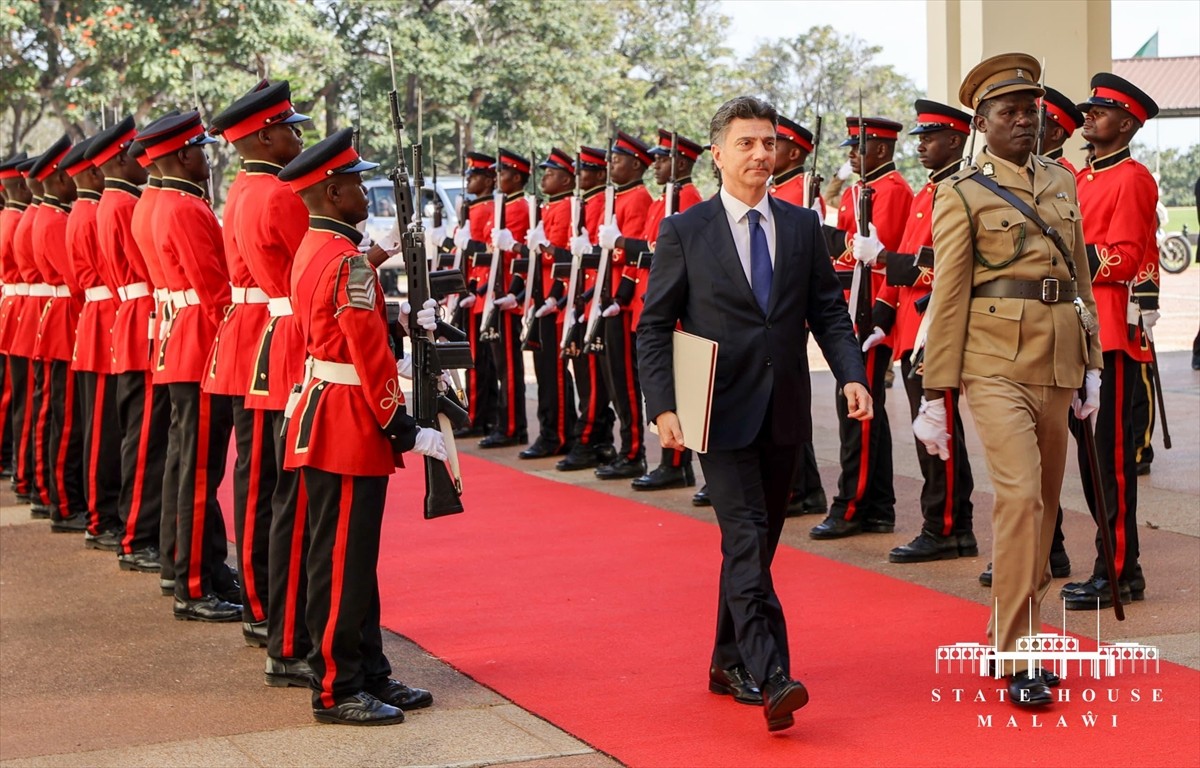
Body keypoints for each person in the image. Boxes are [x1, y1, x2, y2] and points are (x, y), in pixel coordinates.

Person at [638, 96, 870, 732]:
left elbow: (826, 310)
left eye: (768, 143)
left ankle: (724, 659)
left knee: (756, 548)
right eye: (746, 143)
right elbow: (654, 327)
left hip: (784, 411)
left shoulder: (799, 227)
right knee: (744, 540)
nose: (761, 154)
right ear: (717, 154)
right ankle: (773, 676)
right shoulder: (685, 231)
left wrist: (851, 376)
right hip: (716, 409)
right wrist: (663, 406)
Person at [918, 53, 1101, 707]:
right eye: (1009, 113)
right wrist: (935, 395)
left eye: (1031, 111)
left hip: (1057, 364)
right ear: (983, 123)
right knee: (1020, 499)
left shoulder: (1062, 182)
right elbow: (950, 296)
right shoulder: (960, 193)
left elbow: (1080, 282)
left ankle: (1010, 632)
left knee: (1046, 510)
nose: (1025, 121)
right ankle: (1023, 654)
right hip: (992, 365)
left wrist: (1094, 363)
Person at [279, 127, 444, 725]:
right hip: (347, 421)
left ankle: (369, 670)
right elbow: (365, 348)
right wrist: (400, 423)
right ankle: (337, 686)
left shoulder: (321, 249)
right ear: (330, 193)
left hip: (329, 409)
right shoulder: (345, 261)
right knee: (342, 562)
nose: (364, 194)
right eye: (354, 185)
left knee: (354, 560)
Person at [209, 79, 312, 650]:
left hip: (255, 335)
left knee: (257, 481)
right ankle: (266, 602)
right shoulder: (276, 194)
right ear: (266, 134)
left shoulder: (247, 188)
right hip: (277, 335)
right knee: (272, 487)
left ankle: (258, 599)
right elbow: (307, 277)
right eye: (290, 128)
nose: (298, 136)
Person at [862, 99, 978, 564]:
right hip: (913, 332)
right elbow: (906, 267)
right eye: (921, 138)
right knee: (926, 431)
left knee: (940, 431)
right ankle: (943, 524)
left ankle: (949, 527)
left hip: (939, 330)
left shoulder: (962, 191)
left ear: (955, 140)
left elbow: (947, 266)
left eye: (930, 138)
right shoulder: (926, 193)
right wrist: (882, 319)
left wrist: (887, 260)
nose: (922, 146)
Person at [136, 111, 241, 621]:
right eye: (200, 147)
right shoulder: (185, 209)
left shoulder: (158, 203)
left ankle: (194, 569)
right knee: (199, 471)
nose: (206, 156)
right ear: (182, 154)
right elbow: (215, 291)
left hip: (178, 340)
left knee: (185, 465)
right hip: (200, 345)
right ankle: (193, 587)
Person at [1060, 73, 1160, 611]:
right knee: (1088, 463)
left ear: (1126, 124)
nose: (1089, 118)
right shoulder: (1080, 178)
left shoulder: (1133, 178)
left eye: (1100, 112)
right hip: (1078, 333)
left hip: (1112, 337)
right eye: (1089, 110)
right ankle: (1110, 564)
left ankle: (1121, 571)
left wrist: (1071, 255)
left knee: (1111, 461)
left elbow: (1125, 254)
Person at [810, 116, 913, 540]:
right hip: (851, 305)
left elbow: (885, 259)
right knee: (857, 410)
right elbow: (849, 250)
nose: (852, 153)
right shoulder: (860, 190)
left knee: (859, 411)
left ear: (883, 151)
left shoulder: (893, 191)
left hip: (872, 312)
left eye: (860, 146)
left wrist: (882, 317)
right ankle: (878, 506)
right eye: (851, 146)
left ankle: (852, 504)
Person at [86, 117, 170, 576]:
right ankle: (138, 534)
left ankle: (137, 528)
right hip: (140, 319)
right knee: (145, 441)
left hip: (131, 315)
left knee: (141, 436)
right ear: (120, 158)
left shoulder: (114, 201)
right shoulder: (121, 205)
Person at [608, 128, 704, 492]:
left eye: (663, 159)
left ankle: (678, 463)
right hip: (649, 303)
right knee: (658, 386)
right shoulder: (662, 200)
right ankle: (669, 459)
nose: (657, 165)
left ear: (681, 162)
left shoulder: (689, 197)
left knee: (678, 387)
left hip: (673, 307)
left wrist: (622, 244)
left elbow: (671, 254)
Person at [61, 135, 126, 549]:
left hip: (95, 317)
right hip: (104, 318)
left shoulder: (83, 212)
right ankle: (101, 517)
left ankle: (100, 512)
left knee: (99, 425)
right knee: (102, 428)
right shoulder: (94, 212)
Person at [769, 116, 828, 516]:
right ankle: (798, 485)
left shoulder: (804, 192)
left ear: (793, 152)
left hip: (790, 311)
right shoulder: (777, 190)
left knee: (787, 401)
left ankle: (801, 487)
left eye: (774, 145)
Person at [30, 136, 89, 532]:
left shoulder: (51, 216)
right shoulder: (52, 221)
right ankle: (62, 502)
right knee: (64, 418)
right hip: (64, 317)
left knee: (58, 413)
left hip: (56, 313)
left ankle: (51, 493)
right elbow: (74, 279)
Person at [593, 131, 653, 481]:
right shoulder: (619, 198)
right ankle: (626, 448)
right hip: (609, 298)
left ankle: (633, 452)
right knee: (615, 382)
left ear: (635, 164)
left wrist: (614, 246)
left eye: (617, 160)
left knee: (626, 382)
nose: (611, 164)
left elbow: (631, 254)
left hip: (624, 301)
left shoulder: (638, 199)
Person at [516, 147, 577, 459]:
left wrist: (554, 294)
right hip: (540, 296)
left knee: (554, 372)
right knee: (543, 370)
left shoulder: (567, 208)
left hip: (556, 299)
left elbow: (567, 257)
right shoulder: (550, 207)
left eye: (551, 174)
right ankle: (548, 430)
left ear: (567, 179)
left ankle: (559, 433)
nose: (545, 178)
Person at [478, 148, 531, 449]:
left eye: (503, 173)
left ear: (517, 176)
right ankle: (505, 422)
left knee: (509, 365)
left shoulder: (520, 208)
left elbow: (520, 257)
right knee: (500, 364)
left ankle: (512, 425)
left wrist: (513, 292)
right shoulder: (503, 206)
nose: (497, 177)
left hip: (508, 294)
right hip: (494, 292)